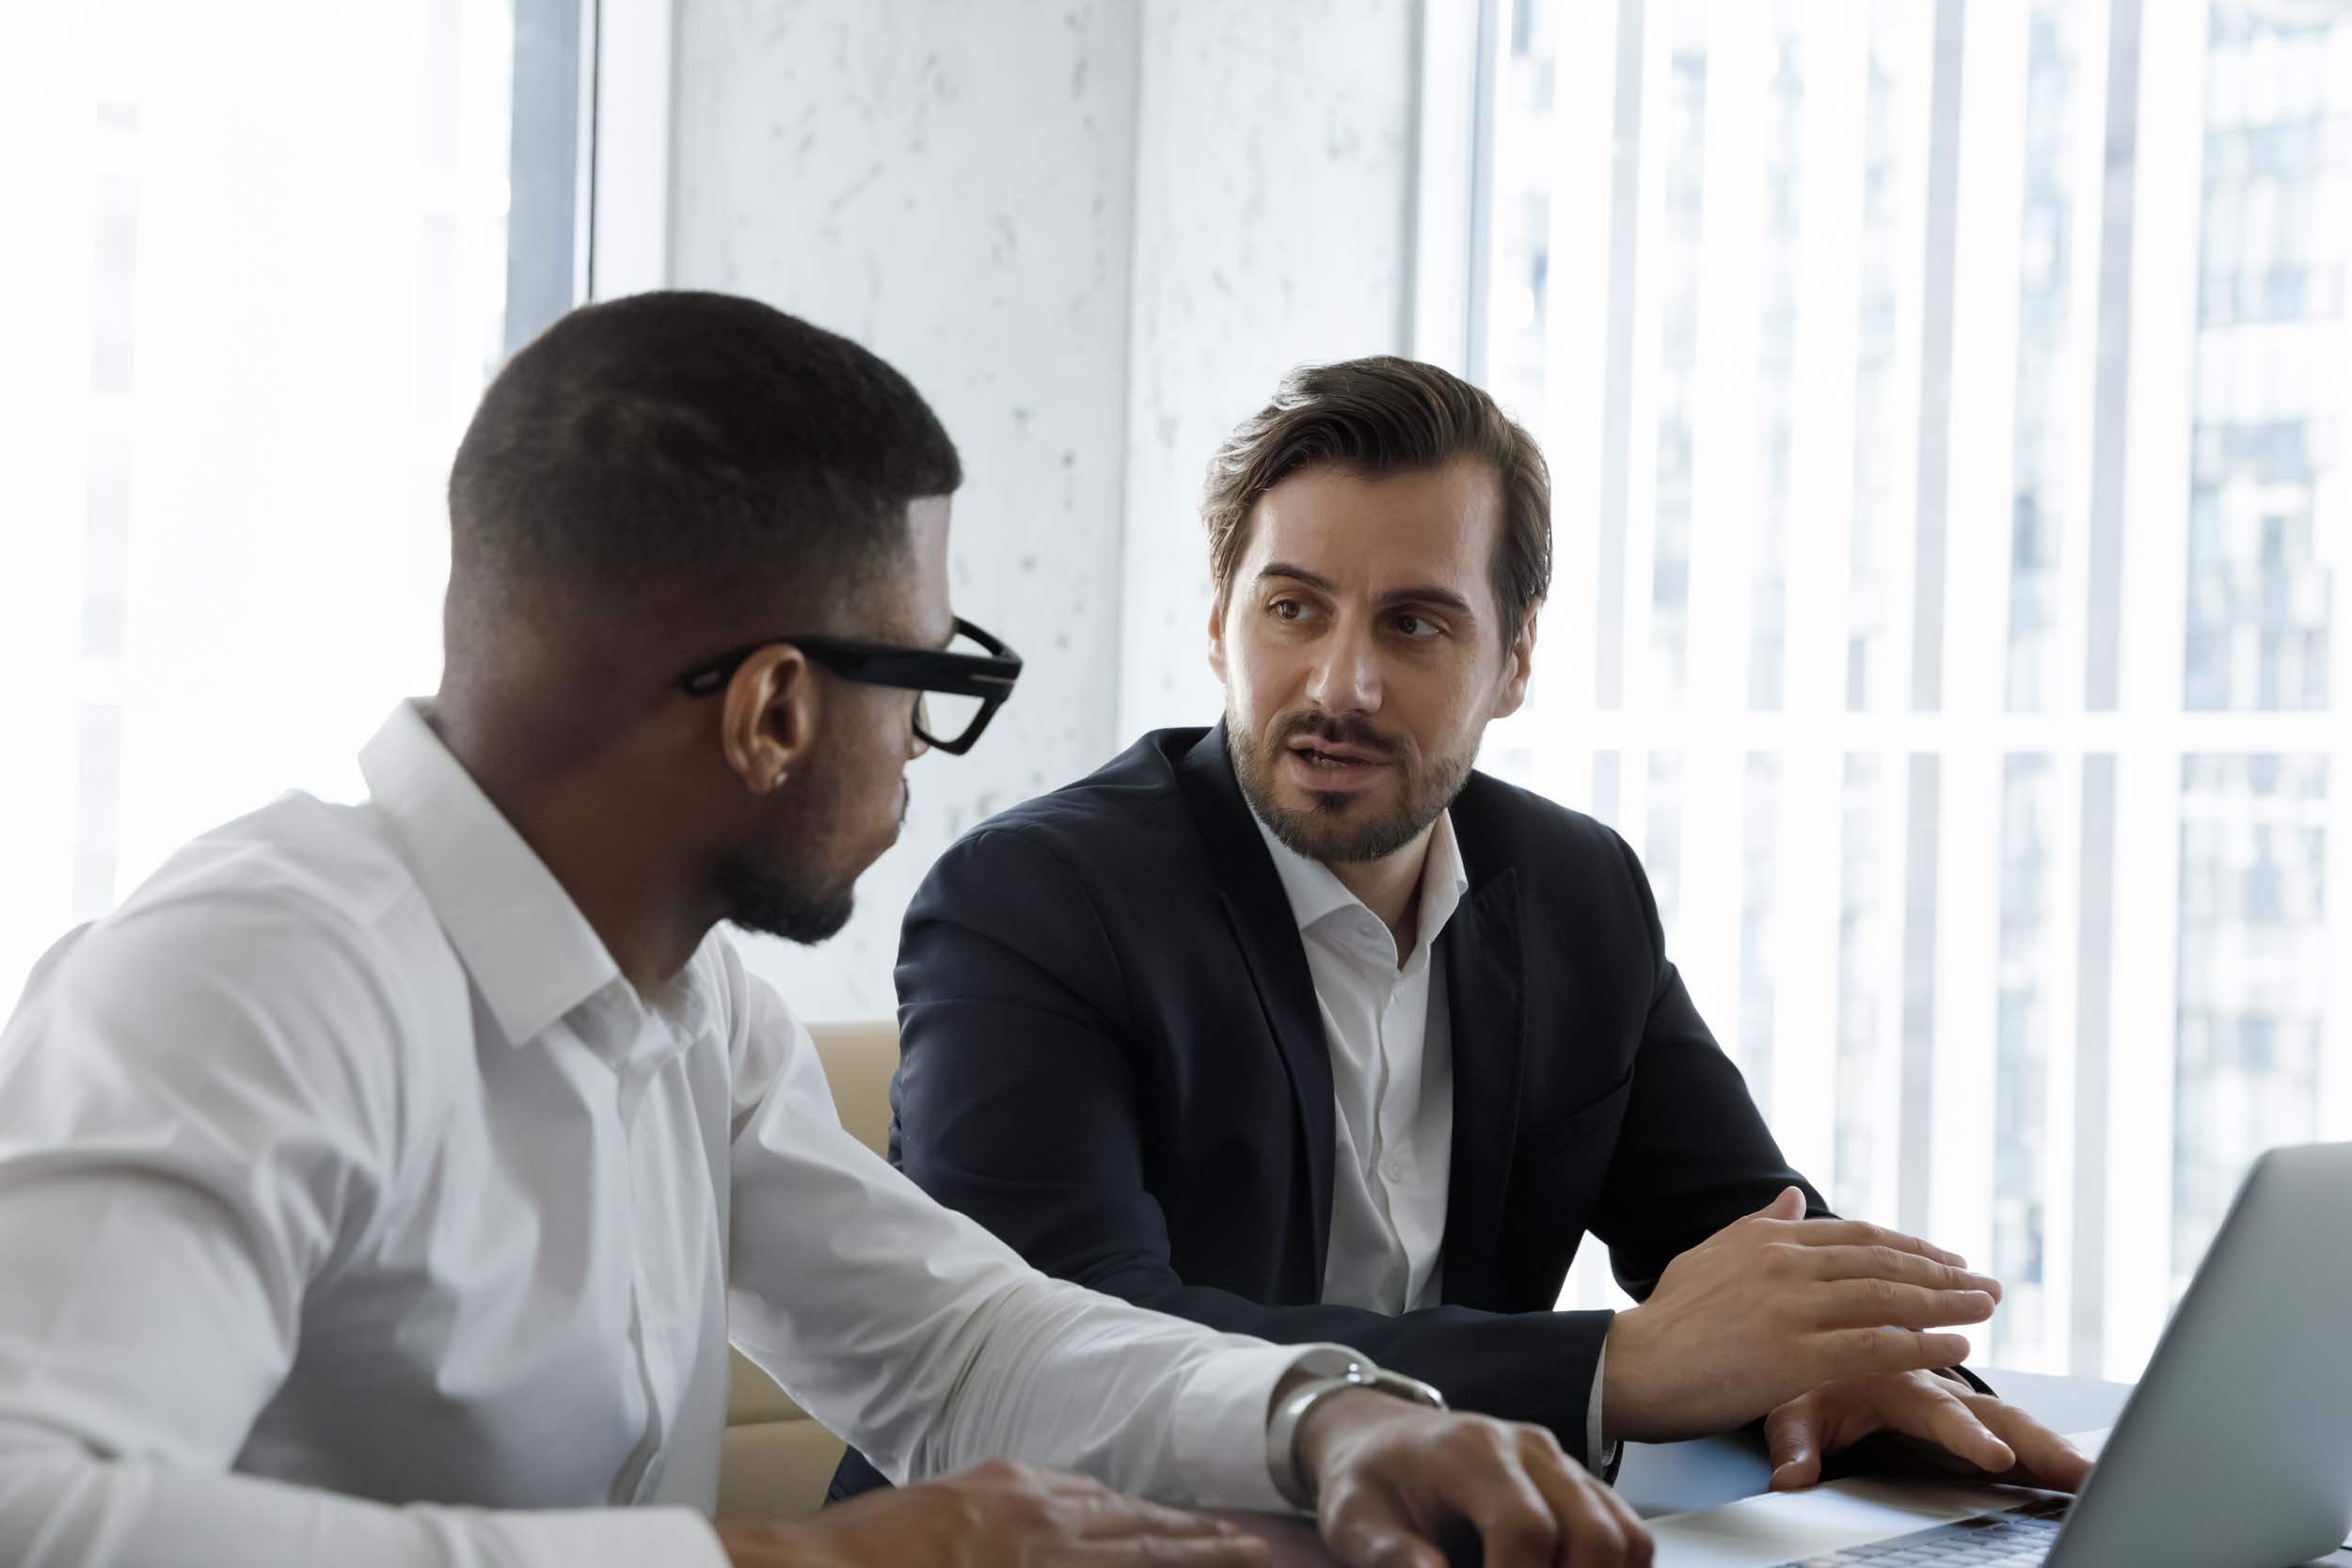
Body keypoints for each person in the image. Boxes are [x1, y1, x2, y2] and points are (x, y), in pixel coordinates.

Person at [0, 299, 1656, 1568]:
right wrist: (776, 1562)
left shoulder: (680, 1007)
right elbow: (34, 1510)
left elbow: (955, 1339)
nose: (927, 762)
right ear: (778, 709)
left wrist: (1323, 1420)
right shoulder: (253, 978)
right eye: (930, 681)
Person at [839, 356, 2092, 1503]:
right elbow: (1069, 1351)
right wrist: (1617, 1371)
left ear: (1515, 658)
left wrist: (1855, 1368)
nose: (1341, 685)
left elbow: (1742, 1239)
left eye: (1414, 623)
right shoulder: (1037, 904)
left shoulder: (1573, 891)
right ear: (1219, 621)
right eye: (1293, 610)